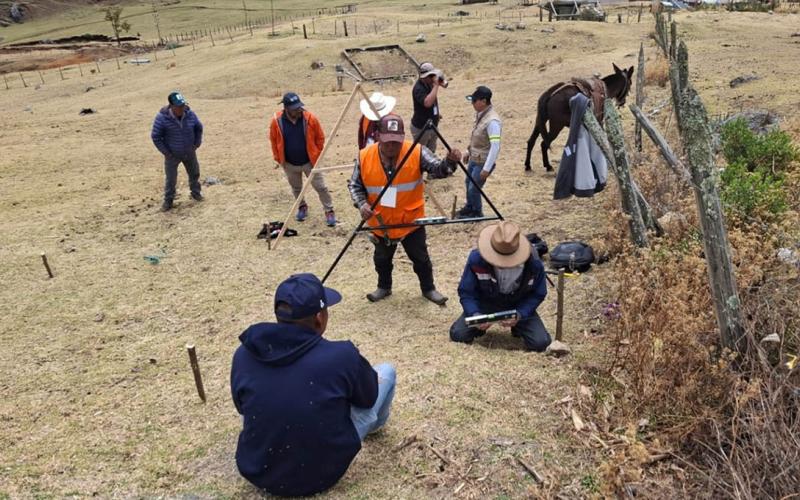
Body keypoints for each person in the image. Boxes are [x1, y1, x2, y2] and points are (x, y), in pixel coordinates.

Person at [231, 273, 396, 497]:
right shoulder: (342, 355)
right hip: (323, 473)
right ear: (319, 317)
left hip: (259, 472)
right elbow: (367, 399)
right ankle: (376, 427)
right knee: (386, 371)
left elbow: (242, 407)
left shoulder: (244, 353)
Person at [349, 113, 461, 305]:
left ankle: (429, 289)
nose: (392, 146)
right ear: (378, 136)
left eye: (396, 142)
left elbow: (438, 170)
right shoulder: (364, 156)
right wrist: (362, 204)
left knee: (421, 259)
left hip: (411, 221)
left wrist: (450, 162)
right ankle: (384, 287)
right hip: (380, 222)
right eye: (387, 141)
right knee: (382, 259)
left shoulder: (417, 151)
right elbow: (354, 185)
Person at [450, 221, 552, 352]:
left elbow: (538, 293)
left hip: (517, 305)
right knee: (458, 335)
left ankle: (518, 327)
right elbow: (466, 292)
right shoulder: (476, 258)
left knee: (541, 343)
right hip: (485, 303)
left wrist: (521, 314)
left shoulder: (534, 264)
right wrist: (475, 314)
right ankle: (479, 329)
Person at [269, 92, 336, 226]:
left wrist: (316, 153)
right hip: (289, 164)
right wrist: (278, 158)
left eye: (299, 106)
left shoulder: (310, 119)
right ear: (286, 108)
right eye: (294, 108)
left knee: (321, 187)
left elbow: (320, 137)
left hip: (310, 163)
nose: (298, 110)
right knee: (296, 188)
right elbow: (273, 140)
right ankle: (302, 207)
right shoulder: (277, 121)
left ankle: (329, 210)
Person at [150, 91, 204, 211]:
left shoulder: (190, 114)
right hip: (172, 155)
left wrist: (197, 143)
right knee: (171, 180)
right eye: (179, 106)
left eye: (183, 105)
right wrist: (167, 152)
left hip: (190, 152)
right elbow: (156, 136)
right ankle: (168, 201)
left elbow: (199, 127)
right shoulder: (162, 118)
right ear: (172, 106)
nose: (182, 108)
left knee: (194, 174)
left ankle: (196, 193)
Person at [456, 86, 502, 219]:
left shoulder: (492, 121)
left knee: (474, 188)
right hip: (474, 158)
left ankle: (476, 212)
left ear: (483, 101)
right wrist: (468, 151)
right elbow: (476, 136)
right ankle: (470, 207)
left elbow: (495, 146)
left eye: (474, 100)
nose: (472, 103)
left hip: (482, 161)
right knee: (468, 183)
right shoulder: (481, 115)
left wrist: (487, 168)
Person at [410, 62, 448, 153]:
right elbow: (427, 103)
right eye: (430, 76)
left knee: (431, 152)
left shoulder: (429, 83)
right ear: (423, 77)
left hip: (433, 125)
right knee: (421, 154)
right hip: (421, 128)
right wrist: (435, 86)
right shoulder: (418, 88)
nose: (432, 77)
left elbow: (445, 85)